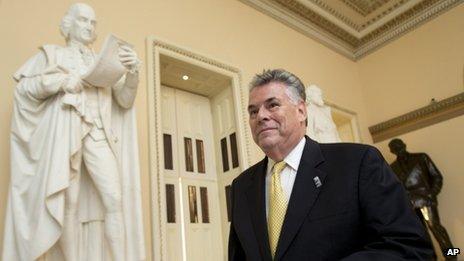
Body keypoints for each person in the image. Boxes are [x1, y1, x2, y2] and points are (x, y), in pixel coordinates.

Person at [228, 69, 433, 260]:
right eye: (253, 111)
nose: (260, 116)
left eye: (272, 105)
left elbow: (409, 246)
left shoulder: (358, 163)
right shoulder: (241, 186)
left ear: (301, 111)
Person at [3, 3, 145, 261]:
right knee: (67, 202)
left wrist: (133, 73)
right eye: (83, 21)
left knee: (114, 199)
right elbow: (24, 90)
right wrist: (60, 81)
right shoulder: (52, 55)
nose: (89, 27)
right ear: (69, 24)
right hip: (65, 133)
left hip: (98, 132)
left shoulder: (102, 60)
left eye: (93, 23)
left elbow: (124, 101)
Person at [389, 138, 456, 259]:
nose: (399, 150)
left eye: (400, 146)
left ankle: (453, 256)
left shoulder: (421, 158)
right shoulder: (392, 168)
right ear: (392, 151)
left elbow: (437, 177)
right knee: (421, 235)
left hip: (426, 199)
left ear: (404, 145)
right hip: (410, 204)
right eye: (395, 148)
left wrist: (432, 193)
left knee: (436, 228)